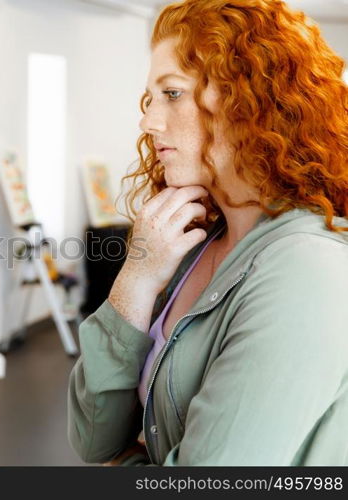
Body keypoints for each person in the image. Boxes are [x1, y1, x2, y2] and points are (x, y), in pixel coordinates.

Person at [67, 0, 348, 465]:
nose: (148, 121)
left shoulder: (308, 272)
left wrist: (124, 461)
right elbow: (93, 437)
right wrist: (136, 278)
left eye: (172, 94)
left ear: (250, 100)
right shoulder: (192, 241)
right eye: (150, 98)